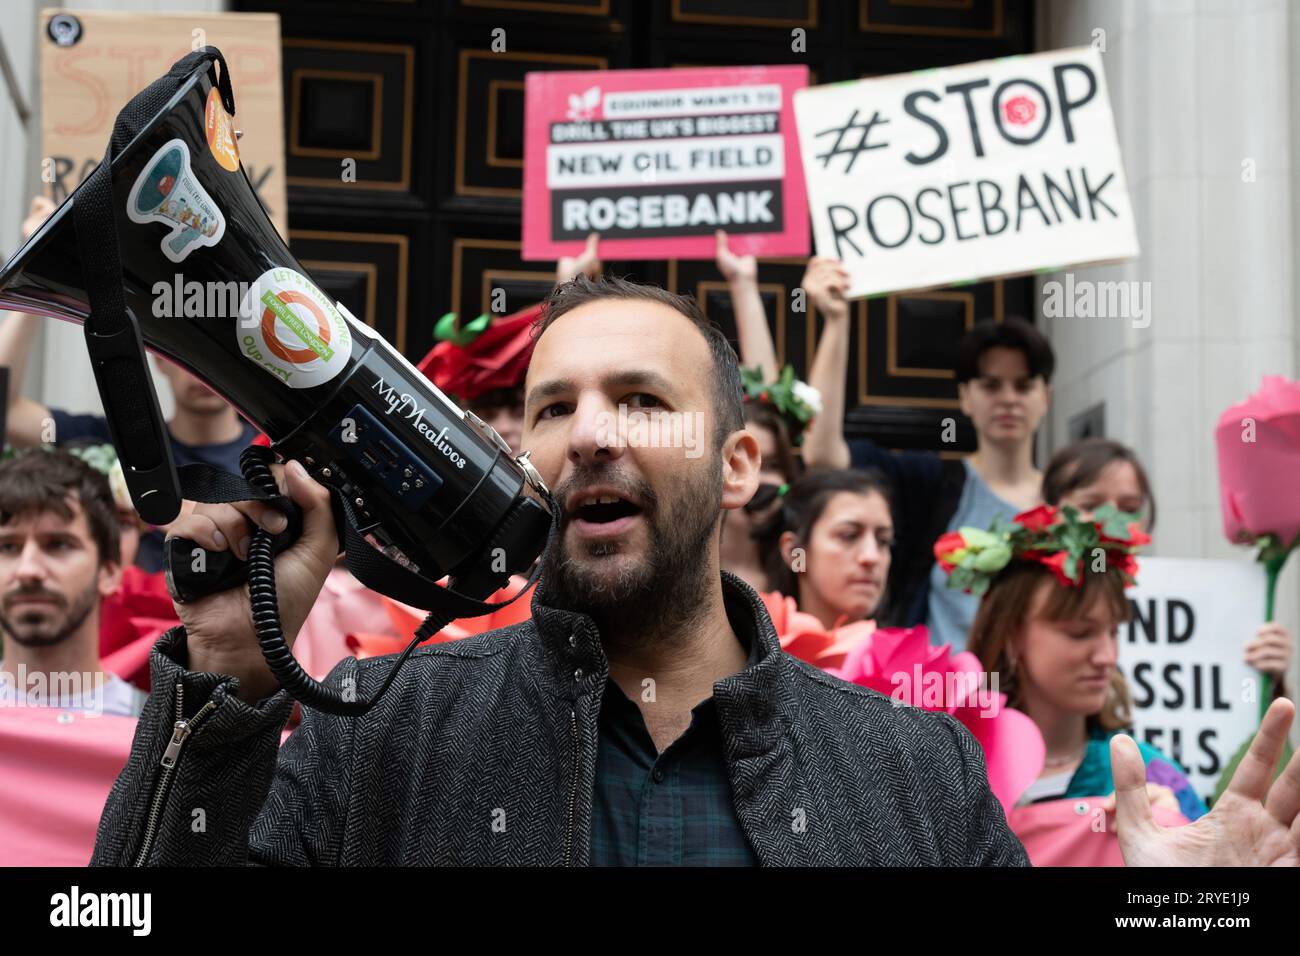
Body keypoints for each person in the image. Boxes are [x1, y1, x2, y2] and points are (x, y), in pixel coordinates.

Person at [93, 274, 1300, 868]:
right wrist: (236, 670)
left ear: (734, 465)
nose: (590, 431)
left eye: (639, 399)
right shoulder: (384, 737)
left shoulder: (915, 774)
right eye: (554, 407)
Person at [796, 255, 1052, 649]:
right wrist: (836, 322)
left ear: (1046, 397)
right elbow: (822, 454)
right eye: (991, 385)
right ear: (965, 398)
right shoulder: (931, 484)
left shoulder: (1066, 503)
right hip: (937, 703)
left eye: (1022, 385)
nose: (1008, 399)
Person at [2, 199, 259, 573]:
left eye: (213, 356)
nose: (201, 372)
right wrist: (38, 271)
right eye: (190, 355)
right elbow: (6, 410)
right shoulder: (115, 444)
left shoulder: (271, 457)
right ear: (160, 359)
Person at [955, 504, 1208, 823]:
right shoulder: (954, 769)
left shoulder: (1150, 776)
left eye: (1113, 631)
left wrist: (1172, 838)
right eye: (1080, 633)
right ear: (1010, 635)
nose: (1107, 656)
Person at [1043, 438, 1292, 696]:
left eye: (1129, 508)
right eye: (1090, 506)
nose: (1111, 520)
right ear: (1049, 511)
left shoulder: (1201, 597)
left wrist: (1267, 680)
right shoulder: (1024, 595)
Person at [0, 448, 147, 717]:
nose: (28, 569)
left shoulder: (154, 734)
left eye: (57, 545)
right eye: (8, 547)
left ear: (109, 571)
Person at [758, 469, 894, 631]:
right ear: (795, 554)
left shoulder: (909, 654)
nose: (871, 556)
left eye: (883, 541)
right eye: (848, 535)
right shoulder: (751, 649)